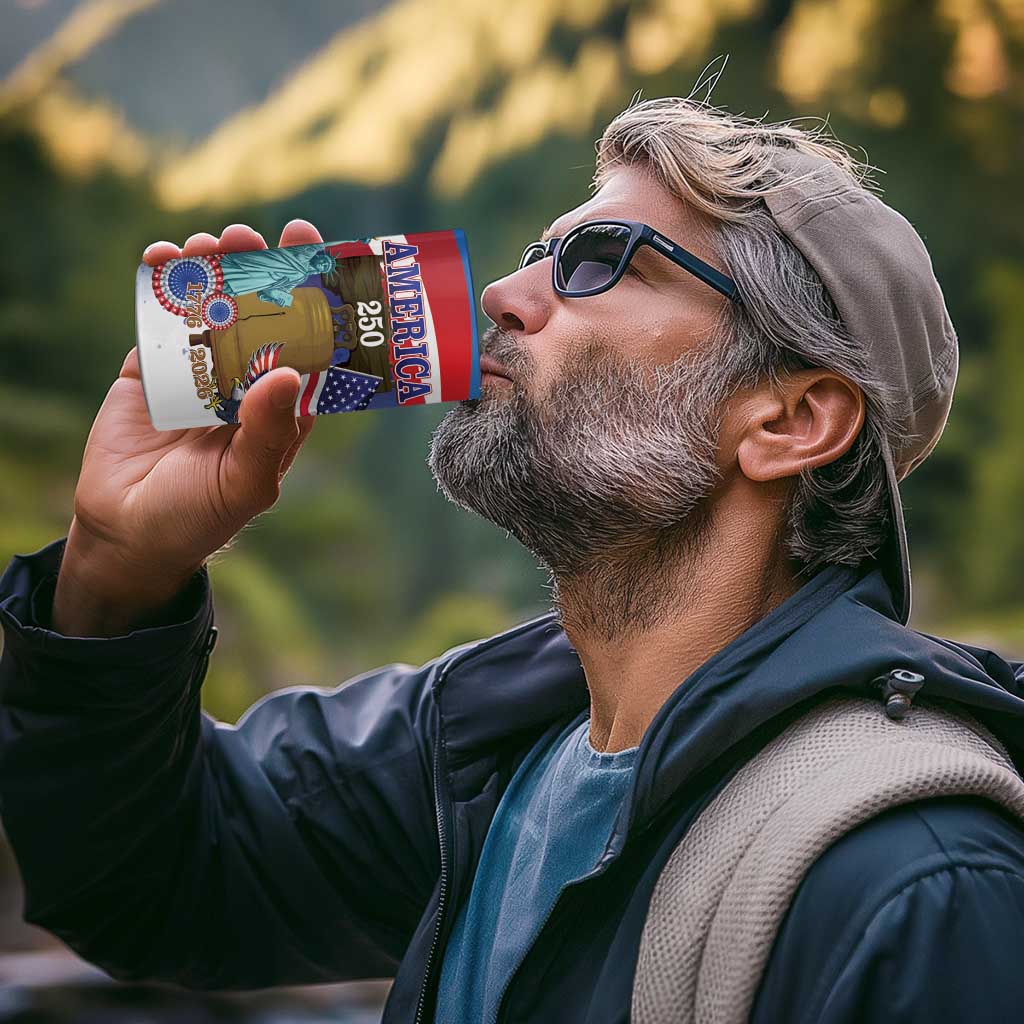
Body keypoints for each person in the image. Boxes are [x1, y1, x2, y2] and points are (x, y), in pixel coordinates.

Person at [2, 96, 1024, 1024]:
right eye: (540, 252)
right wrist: (116, 571)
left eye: (599, 261)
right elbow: (149, 880)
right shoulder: (479, 749)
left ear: (791, 419)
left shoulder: (918, 882)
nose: (502, 291)